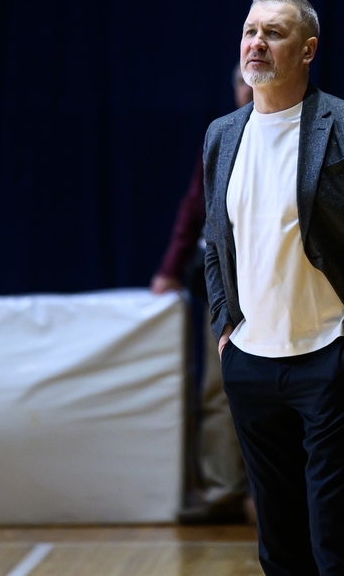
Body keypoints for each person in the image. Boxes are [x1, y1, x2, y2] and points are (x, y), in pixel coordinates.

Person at [204, 0, 344, 576]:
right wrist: (225, 328)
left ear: (308, 50)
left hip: (333, 360)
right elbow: (215, 242)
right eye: (250, 31)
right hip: (250, 364)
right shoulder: (221, 134)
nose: (256, 43)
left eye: (273, 32)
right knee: (279, 550)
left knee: (338, 547)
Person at [150, 66, 253, 524]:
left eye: (256, 79)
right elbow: (195, 204)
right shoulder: (221, 137)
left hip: (286, 284)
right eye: (242, 81)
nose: (249, 89)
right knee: (220, 386)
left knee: (294, 386)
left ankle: (297, 496)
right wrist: (170, 269)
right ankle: (223, 489)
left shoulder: (304, 134)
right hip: (227, 283)